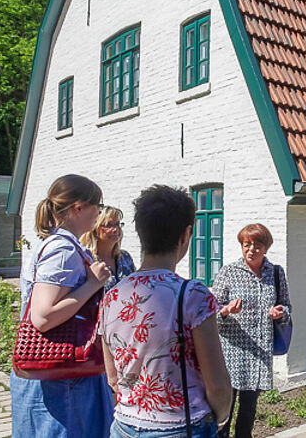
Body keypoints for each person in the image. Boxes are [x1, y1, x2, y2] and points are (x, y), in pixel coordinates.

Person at [100, 185, 232, 437]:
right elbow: (217, 385)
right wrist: (220, 417)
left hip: (124, 426)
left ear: (141, 234)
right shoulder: (192, 295)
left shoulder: (111, 297)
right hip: (182, 425)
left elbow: (113, 379)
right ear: (186, 235)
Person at [10, 174, 114, 437]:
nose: (98, 214)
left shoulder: (55, 244)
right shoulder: (63, 250)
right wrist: (93, 284)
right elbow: (42, 316)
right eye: (97, 207)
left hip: (58, 374)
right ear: (78, 208)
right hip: (62, 377)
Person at [211, 223, 291, 438]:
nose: (251, 250)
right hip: (232, 351)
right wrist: (226, 310)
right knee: (224, 408)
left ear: (266, 248)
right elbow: (211, 310)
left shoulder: (275, 272)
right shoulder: (229, 271)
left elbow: (287, 306)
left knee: (249, 407)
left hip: (259, 352)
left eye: (257, 245)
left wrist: (280, 312)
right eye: (247, 245)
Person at [80, 205, 135, 292]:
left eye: (117, 224)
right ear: (95, 229)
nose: (115, 229)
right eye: (108, 225)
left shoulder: (125, 258)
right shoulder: (86, 261)